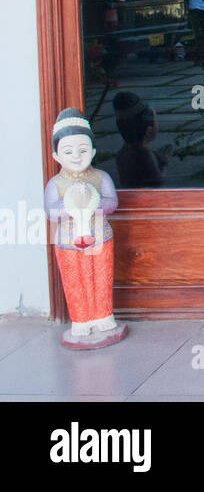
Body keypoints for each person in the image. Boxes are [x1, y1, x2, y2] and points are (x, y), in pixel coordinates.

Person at [43, 107, 128, 348]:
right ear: (56, 156)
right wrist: (71, 207)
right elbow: (51, 212)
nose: (76, 156)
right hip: (69, 241)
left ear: (92, 151)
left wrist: (93, 202)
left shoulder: (100, 178)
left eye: (82, 150)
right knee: (75, 279)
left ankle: (103, 315)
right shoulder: (56, 184)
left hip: (100, 235)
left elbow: (112, 202)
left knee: (101, 276)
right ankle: (80, 318)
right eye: (68, 151)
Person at [111, 91, 167, 188]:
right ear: (148, 128)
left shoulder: (122, 152)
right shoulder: (143, 153)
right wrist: (163, 164)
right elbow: (157, 180)